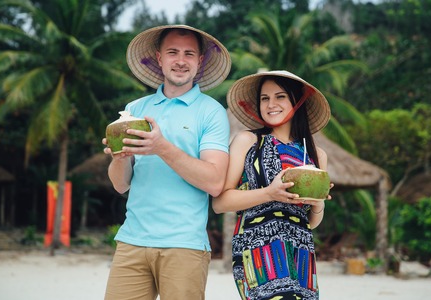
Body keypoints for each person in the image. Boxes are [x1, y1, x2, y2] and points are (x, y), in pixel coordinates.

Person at [102, 25, 231, 300]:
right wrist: (119, 158)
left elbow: (215, 182)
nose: (181, 61)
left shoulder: (212, 112)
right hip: (131, 240)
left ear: (200, 61)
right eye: (172, 52)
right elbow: (120, 185)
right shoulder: (135, 109)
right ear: (159, 58)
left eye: (189, 54)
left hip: (184, 245)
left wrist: (161, 147)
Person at [213, 70, 333, 300]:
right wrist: (270, 193)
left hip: (301, 252)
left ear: (296, 102)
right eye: (264, 98)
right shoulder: (248, 141)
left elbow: (311, 222)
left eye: (280, 97)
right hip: (259, 250)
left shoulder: (316, 156)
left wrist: (317, 204)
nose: (271, 104)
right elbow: (220, 202)